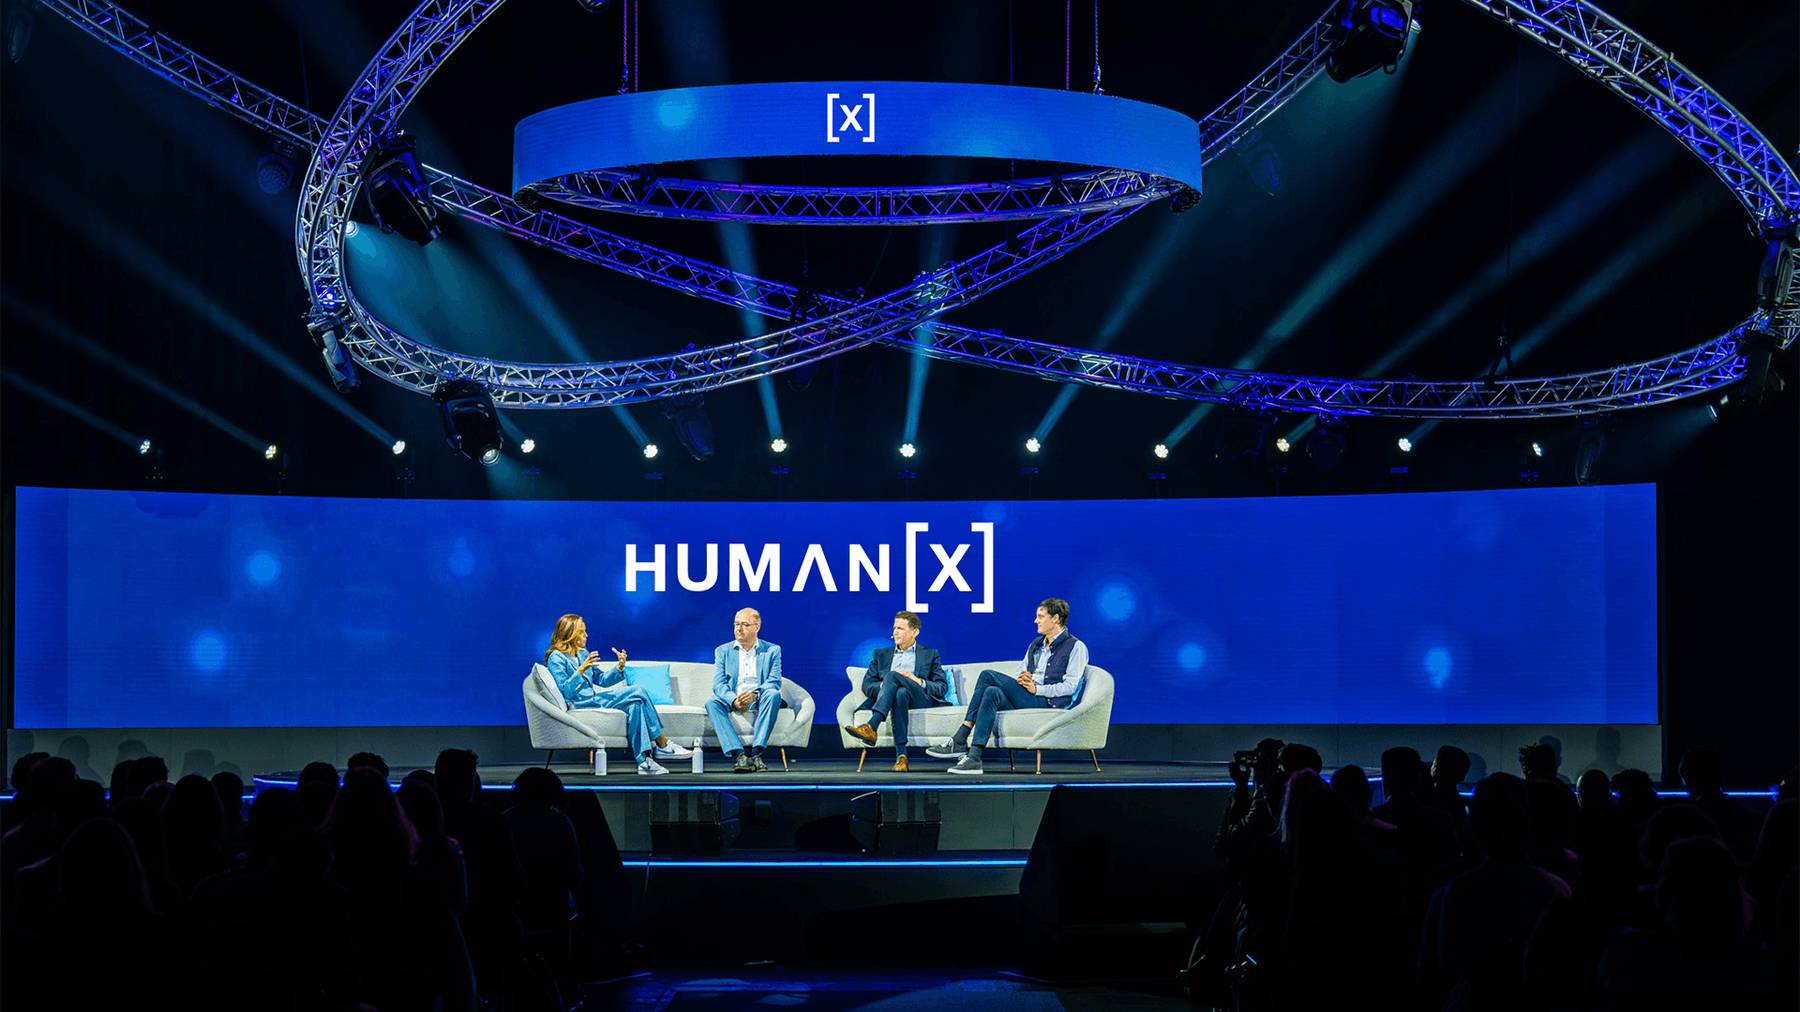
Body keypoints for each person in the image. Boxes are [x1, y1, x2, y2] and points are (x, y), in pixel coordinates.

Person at [927, 598, 1087, 775]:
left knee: (987, 675)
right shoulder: (1036, 644)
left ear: (1056, 618)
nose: (1036, 621)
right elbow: (1022, 669)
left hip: (1048, 701)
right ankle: (974, 757)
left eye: (1040, 616)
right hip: (1028, 695)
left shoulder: (1076, 647)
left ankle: (961, 736)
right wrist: (1025, 677)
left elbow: (1070, 686)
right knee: (991, 692)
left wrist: (1037, 688)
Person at [542, 613, 690, 776]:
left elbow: (601, 679)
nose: (586, 635)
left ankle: (644, 761)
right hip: (579, 703)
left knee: (636, 704)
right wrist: (580, 670)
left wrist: (619, 667)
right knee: (638, 690)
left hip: (593, 699)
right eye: (582, 632)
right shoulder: (556, 657)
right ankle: (662, 743)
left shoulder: (582, 653)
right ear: (571, 634)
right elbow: (565, 691)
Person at [842, 611, 951, 772]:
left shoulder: (930, 654)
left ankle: (872, 727)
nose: (895, 632)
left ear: (915, 632)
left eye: (900, 628)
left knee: (893, 676)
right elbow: (867, 685)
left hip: (919, 698)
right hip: (899, 698)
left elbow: (941, 687)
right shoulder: (881, 655)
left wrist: (916, 680)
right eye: (894, 628)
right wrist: (888, 686)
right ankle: (901, 757)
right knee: (899, 693)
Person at [705, 608, 785, 774]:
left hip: (759, 696)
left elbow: (774, 681)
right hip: (734, 697)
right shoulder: (723, 651)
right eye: (736, 624)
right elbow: (718, 684)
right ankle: (739, 754)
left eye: (744, 625)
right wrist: (733, 700)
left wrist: (755, 693)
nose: (738, 629)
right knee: (711, 702)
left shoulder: (772, 650)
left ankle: (757, 753)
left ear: (756, 627)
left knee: (773, 694)